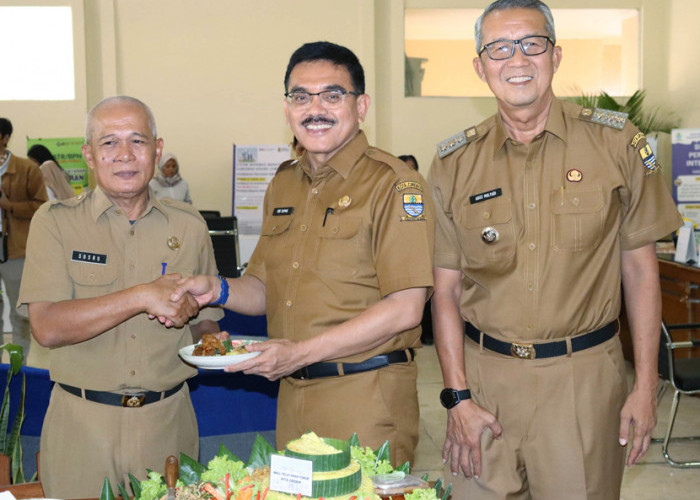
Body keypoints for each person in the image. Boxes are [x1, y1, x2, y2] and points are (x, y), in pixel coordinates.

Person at [428, 1, 683, 498]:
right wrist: (457, 397)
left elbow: (641, 271)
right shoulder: (453, 162)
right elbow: (446, 291)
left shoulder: (617, 144)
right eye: (499, 48)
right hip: (484, 381)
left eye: (532, 44)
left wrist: (646, 384)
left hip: (583, 381)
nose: (517, 60)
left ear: (556, 56)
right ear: (480, 67)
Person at [170, 41, 434, 466]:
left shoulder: (394, 185)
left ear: (361, 105)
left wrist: (300, 353)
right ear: (287, 107)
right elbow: (262, 289)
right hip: (293, 397)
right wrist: (213, 289)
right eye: (300, 97)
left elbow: (406, 309)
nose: (315, 109)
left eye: (332, 95)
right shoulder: (284, 183)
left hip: (365, 398)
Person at [17, 96, 222, 498]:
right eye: (109, 143)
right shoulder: (55, 223)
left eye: (137, 141)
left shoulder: (190, 225)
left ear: (157, 149)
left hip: (168, 424)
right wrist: (143, 296)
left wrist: (212, 339)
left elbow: (206, 322)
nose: (124, 155)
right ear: (89, 155)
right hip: (81, 427)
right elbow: (47, 326)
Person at [0, 118, 48, 359]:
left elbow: (42, 206)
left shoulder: (26, 169)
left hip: (15, 250)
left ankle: (17, 367)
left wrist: (10, 206)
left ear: (5, 137)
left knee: (19, 314)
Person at [399, 154, 434, 347]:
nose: (407, 172)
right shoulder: (386, 194)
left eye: (411, 167)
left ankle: (426, 334)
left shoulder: (422, 192)